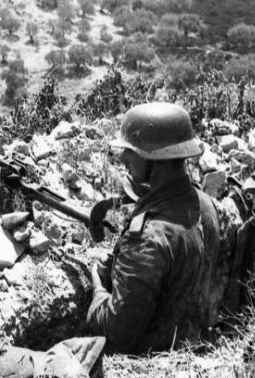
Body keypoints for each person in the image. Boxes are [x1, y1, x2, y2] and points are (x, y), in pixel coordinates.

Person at [86, 102, 221, 354]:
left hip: (155, 356)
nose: (124, 158)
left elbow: (117, 335)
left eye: (132, 151)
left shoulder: (146, 237)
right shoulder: (205, 204)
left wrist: (97, 288)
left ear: (155, 159)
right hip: (194, 342)